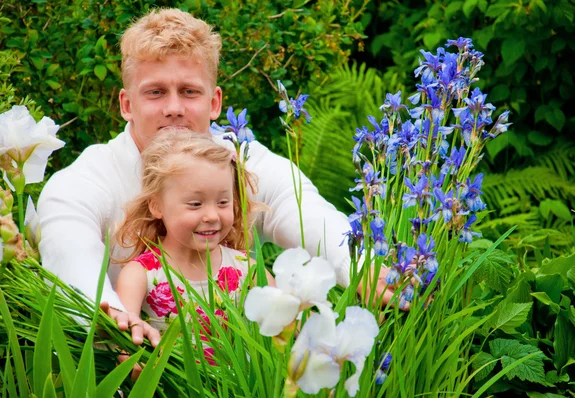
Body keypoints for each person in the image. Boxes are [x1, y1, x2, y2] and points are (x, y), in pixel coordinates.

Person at [38, 8, 394, 346]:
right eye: (155, 92)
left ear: (215, 101)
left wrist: (357, 267)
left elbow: (296, 204)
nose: (174, 108)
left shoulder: (239, 157)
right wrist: (113, 317)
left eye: (190, 91)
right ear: (127, 104)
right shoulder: (86, 179)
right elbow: (68, 245)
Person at [114, 130, 270, 334]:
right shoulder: (140, 275)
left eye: (223, 202)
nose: (212, 216)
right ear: (157, 206)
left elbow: (284, 333)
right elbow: (123, 339)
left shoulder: (249, 272)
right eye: (195, 204)